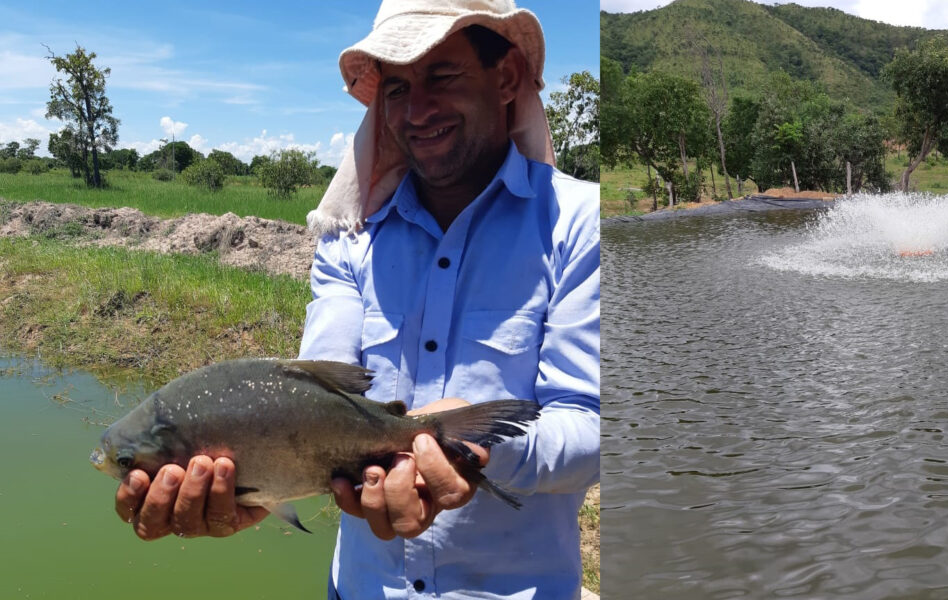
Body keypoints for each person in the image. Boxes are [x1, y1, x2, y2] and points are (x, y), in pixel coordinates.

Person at [113, 1, 600, 598]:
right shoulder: (350, 241)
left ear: (506, 78)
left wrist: (474, 448)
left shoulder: (582, 227)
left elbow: (594, 429)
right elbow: (317, 393)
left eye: (442, 75)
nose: (417, 110)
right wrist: (259, 485)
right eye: (397, 86)